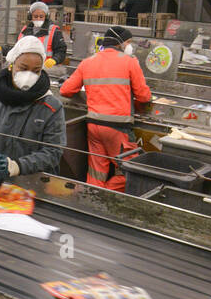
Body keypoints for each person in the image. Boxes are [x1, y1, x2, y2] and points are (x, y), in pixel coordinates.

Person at [0, 36, 66, 188]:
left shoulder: (51, 107)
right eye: (23, 68)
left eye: (36, 71)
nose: (29, 75)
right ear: (12, 65)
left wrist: (16, 166)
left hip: (35, 186)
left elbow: (53, 152)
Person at [59, 25, 151, 190]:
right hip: (118, 127)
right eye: (128, 42)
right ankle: (107, 195)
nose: (129, 46)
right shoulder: (130, 62)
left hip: (94, 126)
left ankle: (92, 199)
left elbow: (65, 90)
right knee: (128, 172)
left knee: (96, 172)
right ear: (120, 43)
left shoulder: (87, 62)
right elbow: (144, 97)